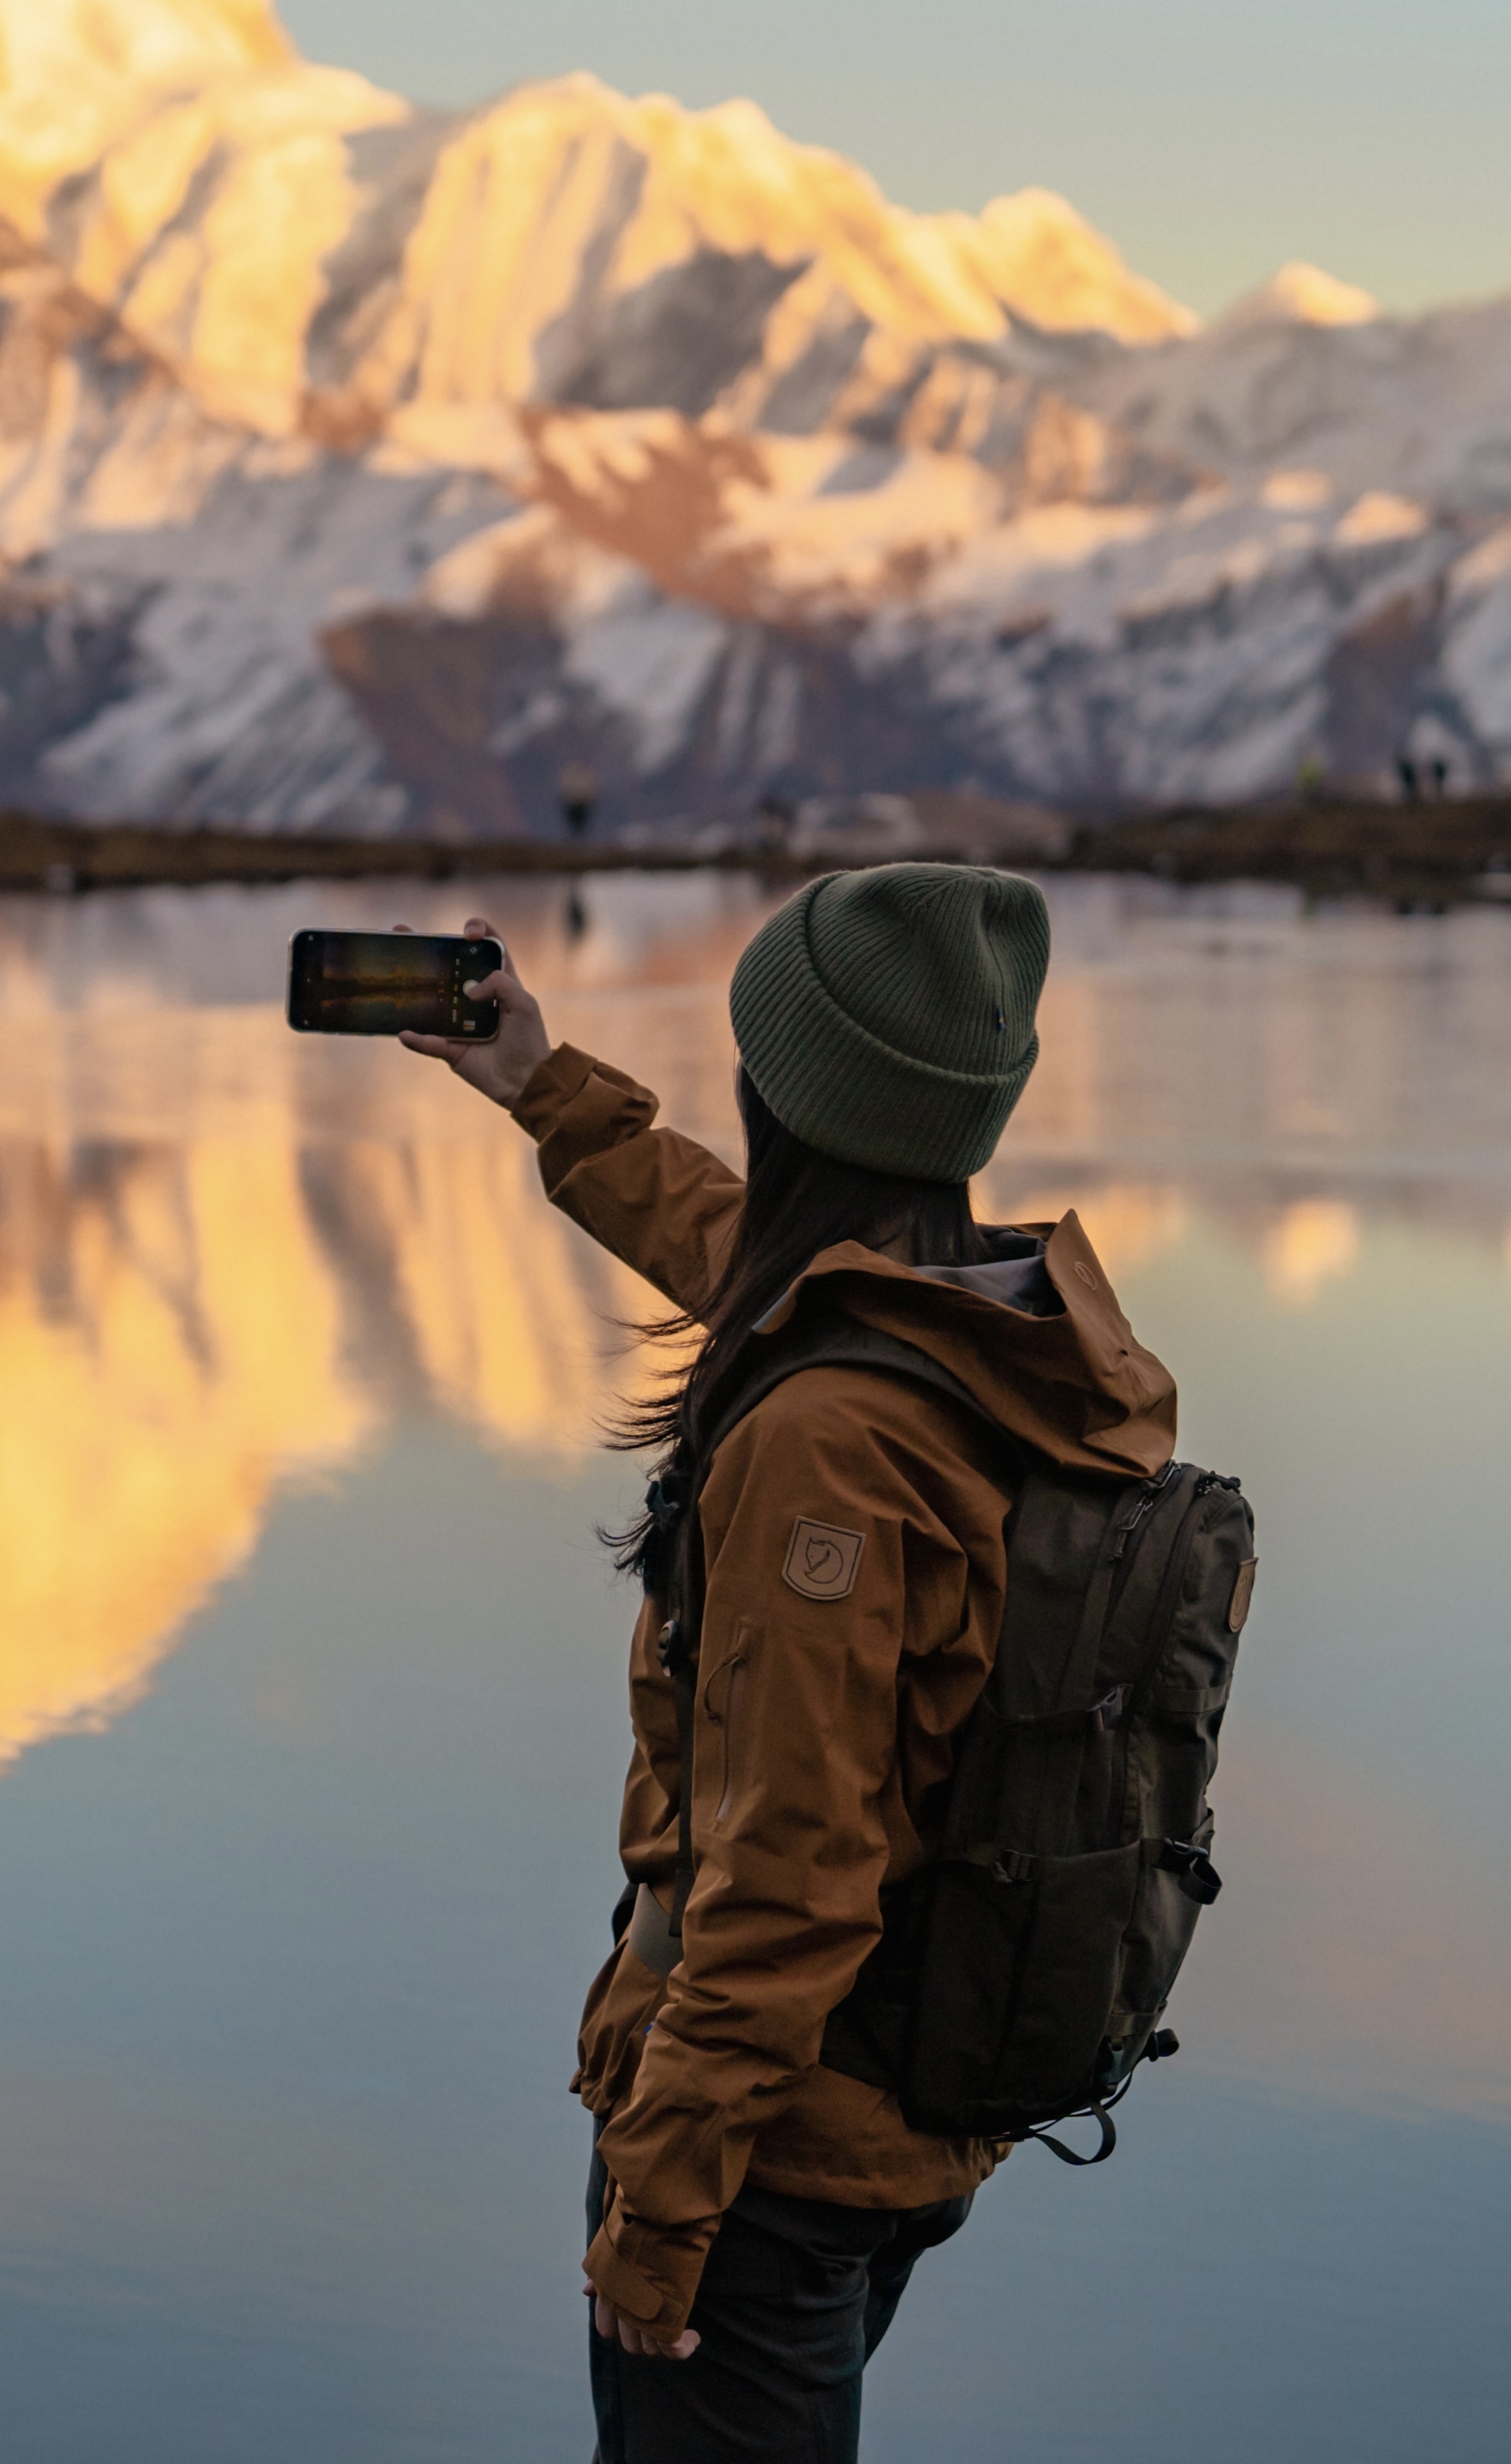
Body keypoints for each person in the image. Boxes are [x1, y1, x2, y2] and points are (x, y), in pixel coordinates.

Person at [409, 865, 1180, 2463]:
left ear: (793, 1094)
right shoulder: (1006, 1330)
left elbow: (792, 1874)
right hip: (883, 2111)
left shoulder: (825, 1442)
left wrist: (661, 2204)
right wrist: (541, 1085)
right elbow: (755, 1264)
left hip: (763, 2152)